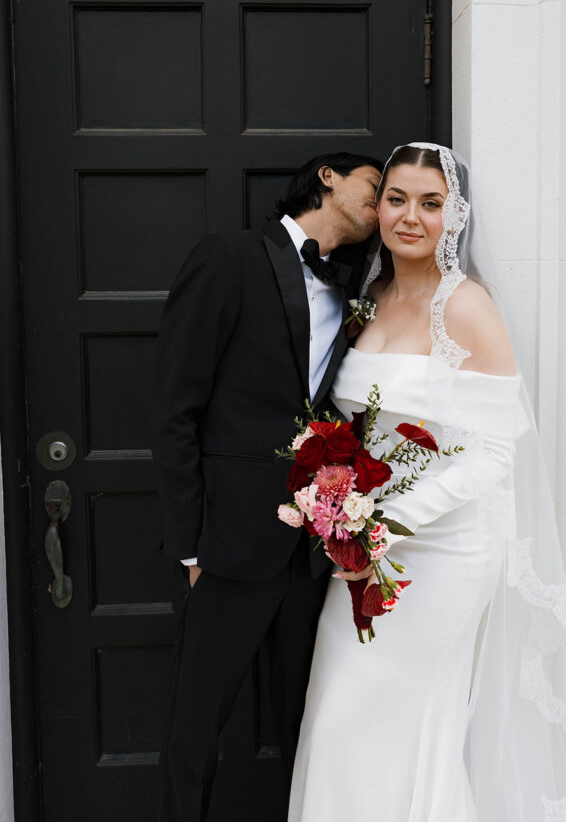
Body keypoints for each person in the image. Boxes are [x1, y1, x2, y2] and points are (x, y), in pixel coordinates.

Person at [289, 143, 566, 822]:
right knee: (338, 712)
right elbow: (349, 423)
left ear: (454, 217)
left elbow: (493, 451)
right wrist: (337, 502)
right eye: (396, 199)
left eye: (431, 204)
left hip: (446, 551)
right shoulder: (367, 300)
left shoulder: (467, 308)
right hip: (362, 553)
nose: (409, 217)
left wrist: (386, 524)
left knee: (401, 720)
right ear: (379, 206)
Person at [153, 150, 383, 822]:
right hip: (228, 547)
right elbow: (175, 411)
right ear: (327, 178)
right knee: (194, 732)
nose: (381, 203)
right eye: (375, 187)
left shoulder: (353, 295)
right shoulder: (228, 258)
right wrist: (191, 548)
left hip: (312, 555)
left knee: (307, 731)